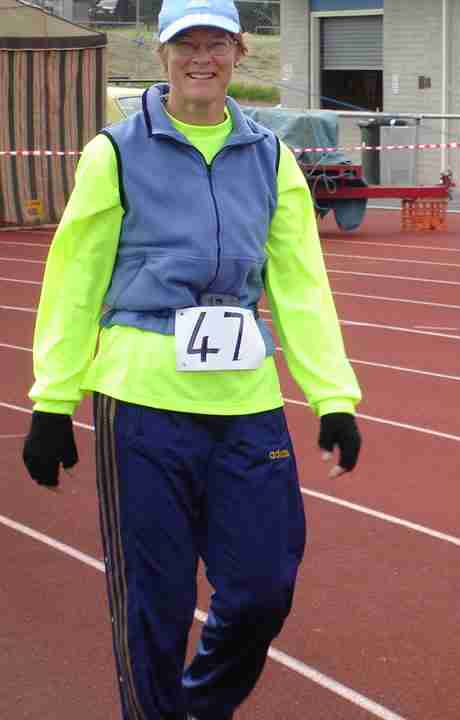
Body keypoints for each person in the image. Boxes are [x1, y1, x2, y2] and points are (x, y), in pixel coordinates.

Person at [21, 0, 363, 717]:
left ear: (238, 52)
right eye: (186, 44)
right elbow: (75, 282)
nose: (200, 57)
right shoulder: (113, 153)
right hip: (142, 401)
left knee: (263, 590)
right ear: (161, 55)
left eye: (215, 43)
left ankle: (199, 706)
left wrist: (332, 398)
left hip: (246, 403)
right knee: (157, 600)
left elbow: (300, 283)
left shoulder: (271, 156)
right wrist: (52, 402)